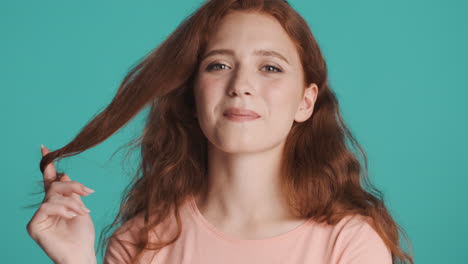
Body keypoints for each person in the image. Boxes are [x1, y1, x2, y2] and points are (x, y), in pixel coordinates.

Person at [26, 0, 414, 263]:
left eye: (270, 68)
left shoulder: (347, 245)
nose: (241, 85)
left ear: (306, 102)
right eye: (218, 65)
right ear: (194, 96)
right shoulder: (140, 243)